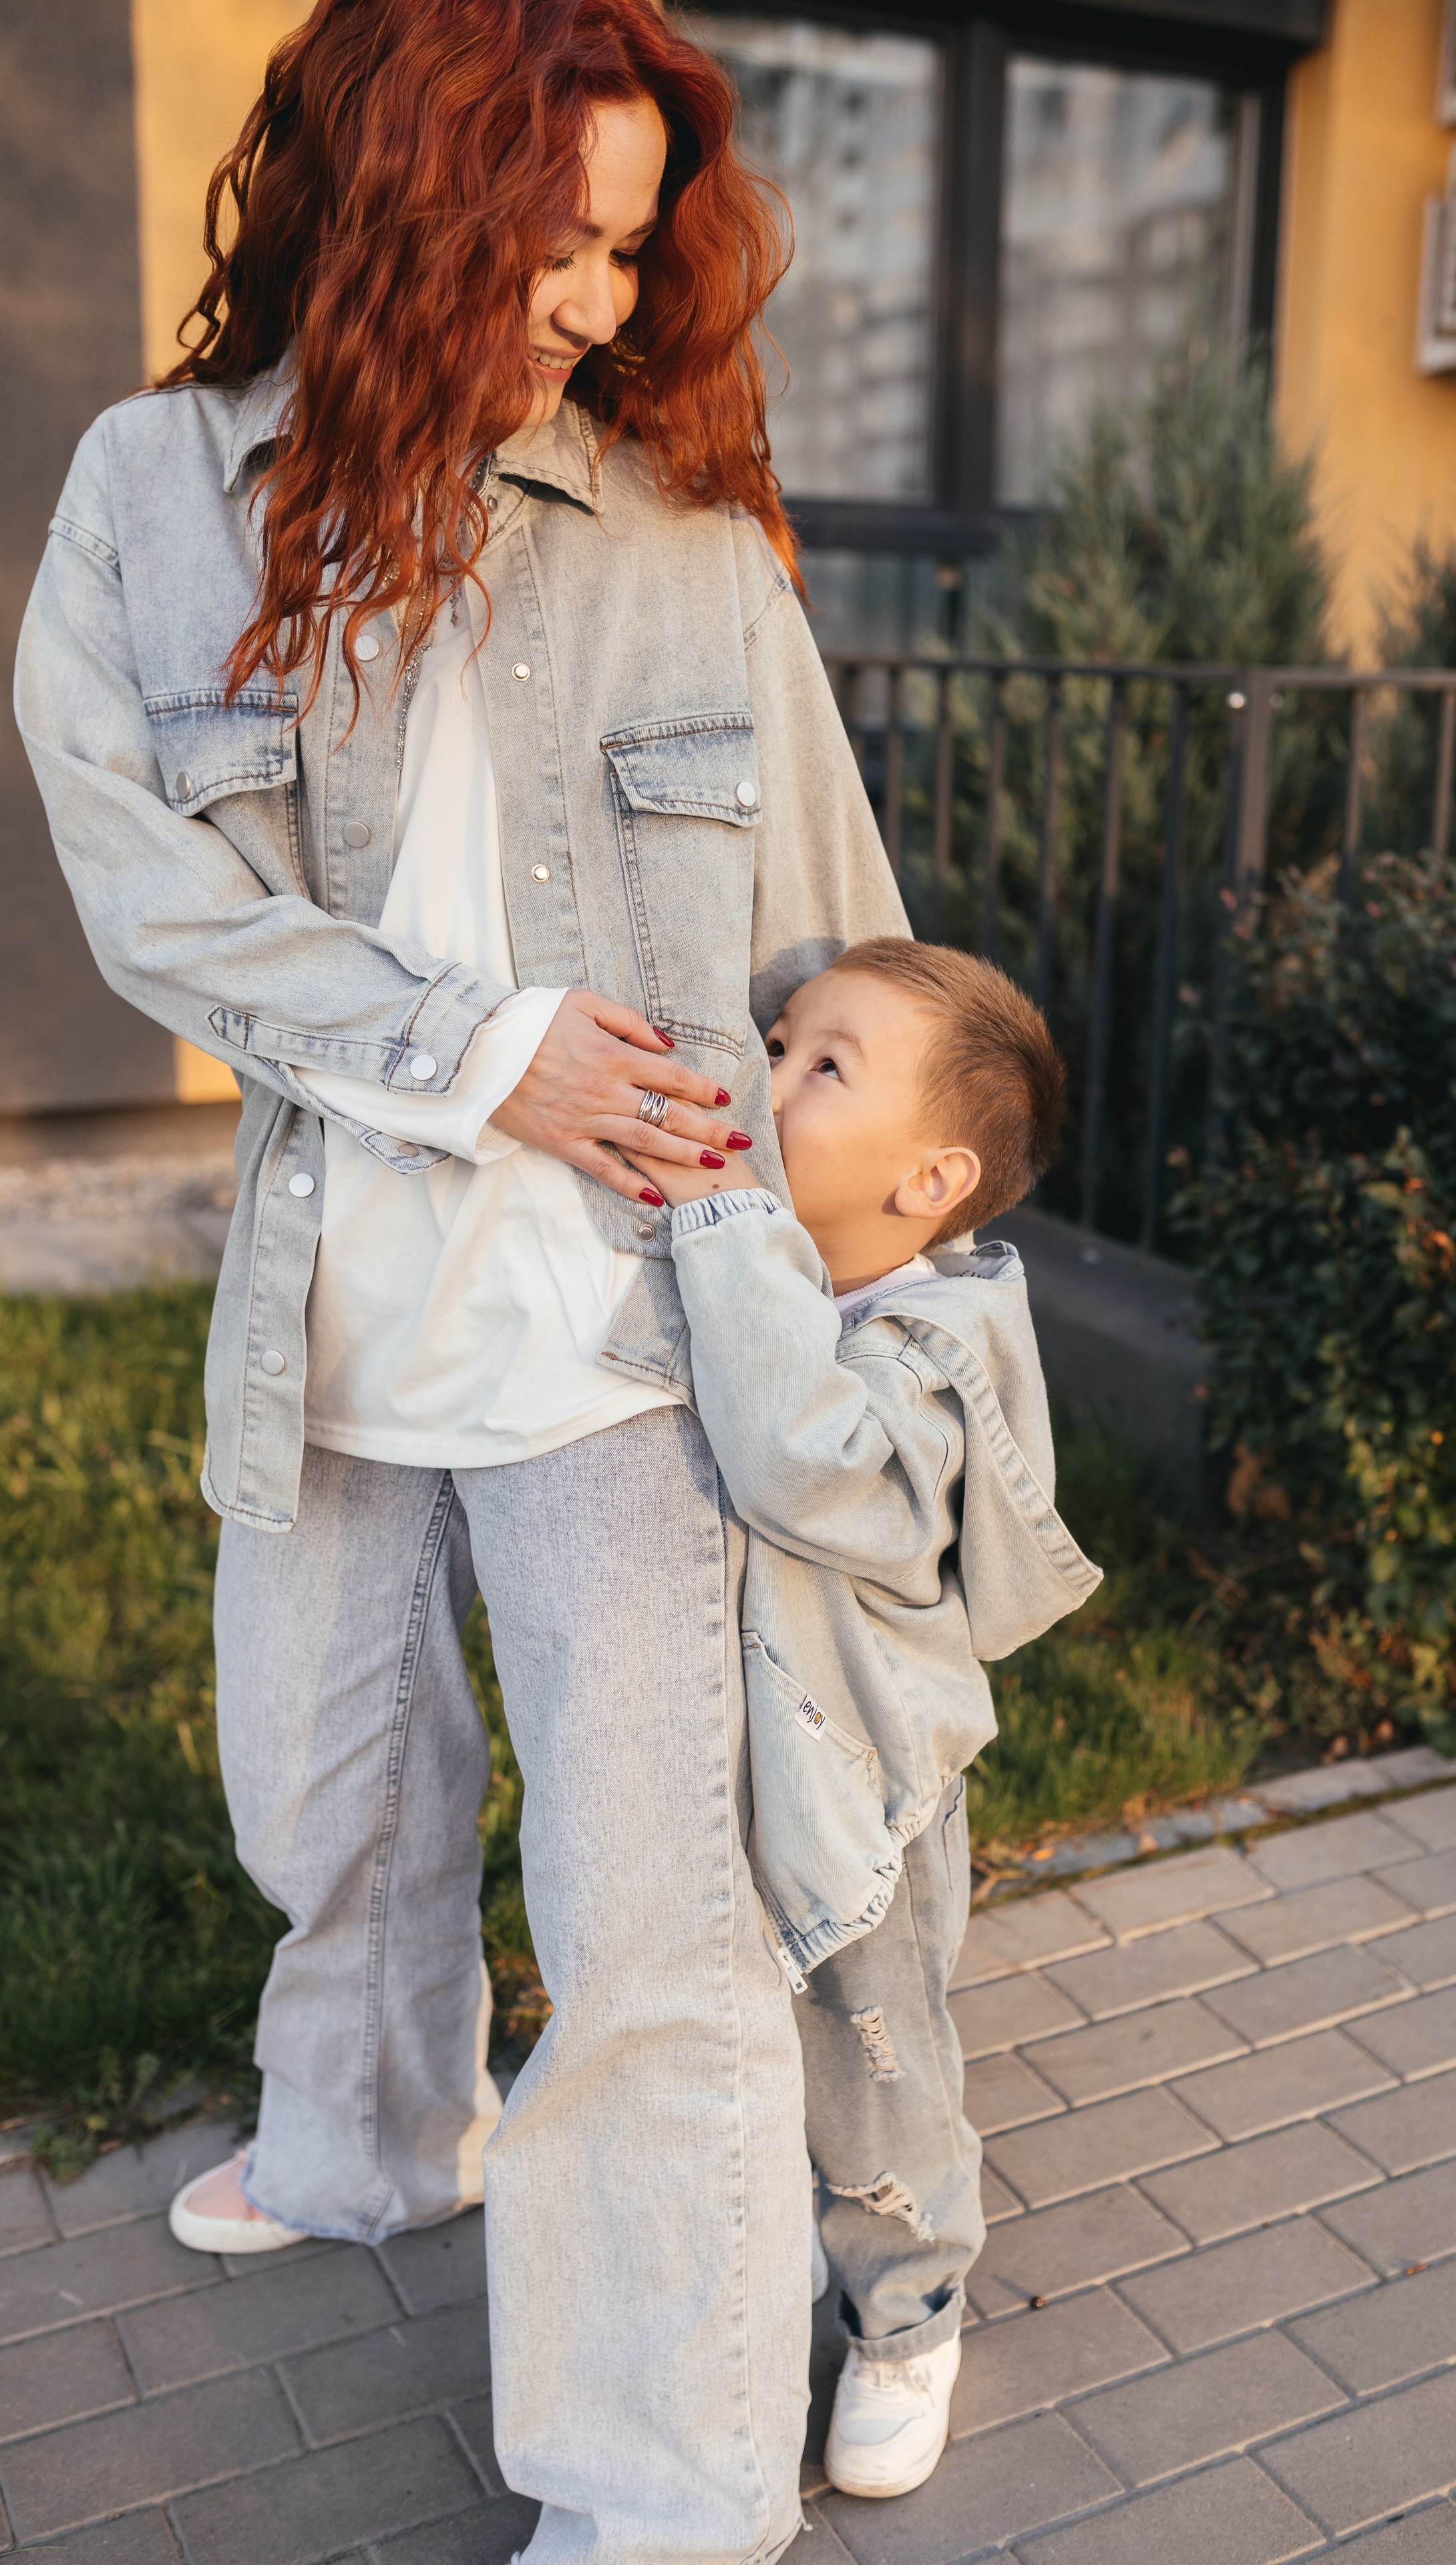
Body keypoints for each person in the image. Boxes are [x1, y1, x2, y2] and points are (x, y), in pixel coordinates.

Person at [14, 3, 906, 2554]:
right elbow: (149, 885)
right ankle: (376, 2139)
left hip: (632, 1328)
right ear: (392, 205)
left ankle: (660, 2486)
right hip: (331, 1287)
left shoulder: (684, 539)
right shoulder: (158, 495)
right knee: (334, 1783)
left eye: (634, 253)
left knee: (648, 1924)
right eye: (551, 245)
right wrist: (474, 1045)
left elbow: (846, 932)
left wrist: (890, 1313)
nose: (597, 307)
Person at [627, 938, 1102, 2498]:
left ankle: (907, 2315)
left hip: (861, 1800)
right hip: (722, 1759)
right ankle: (737, 2277)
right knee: (730, 2047)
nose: (763, 1079)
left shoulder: (929, 1350)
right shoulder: (800, 1279)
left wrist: (717, 1211)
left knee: (875, 2069)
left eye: (817, 1067)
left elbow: (797, 1460)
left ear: (925, 1182)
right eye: (776, 1039)